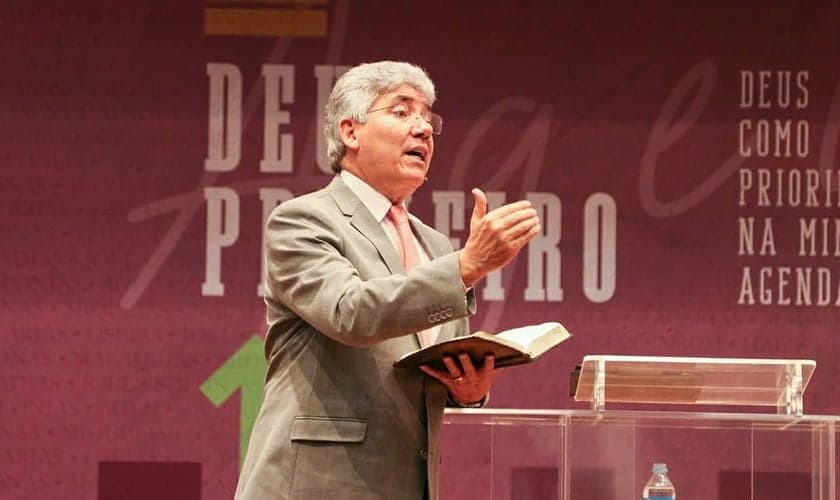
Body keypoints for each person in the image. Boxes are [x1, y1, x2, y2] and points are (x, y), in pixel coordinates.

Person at [234, 60, 541, 500]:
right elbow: (350, 312)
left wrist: (467, 392)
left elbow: (425, 367)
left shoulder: (434, 245)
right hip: (313, 485)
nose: (423, 129)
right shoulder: (303, 220)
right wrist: (466, 267)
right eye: (402, 112)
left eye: (427, 117)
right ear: (350, 131)